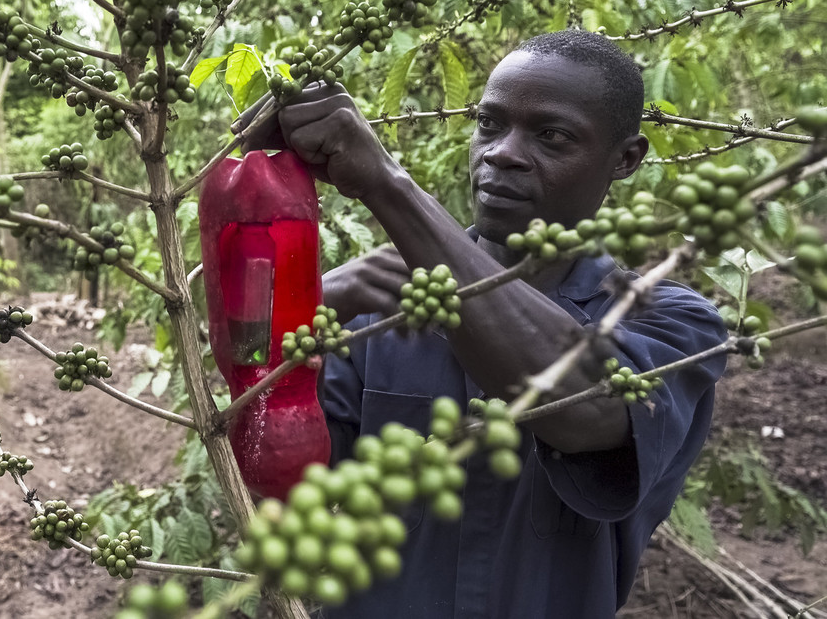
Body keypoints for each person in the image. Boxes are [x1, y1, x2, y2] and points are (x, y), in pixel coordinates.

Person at [240, 30, 727, 617]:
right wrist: (304, 303)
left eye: (552, 135)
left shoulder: (672, 325)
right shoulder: (374, 311)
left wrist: (386, 184)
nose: (502, 153)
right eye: (490, 125)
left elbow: (585, 408)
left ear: (625, 159)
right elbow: (278, 478)